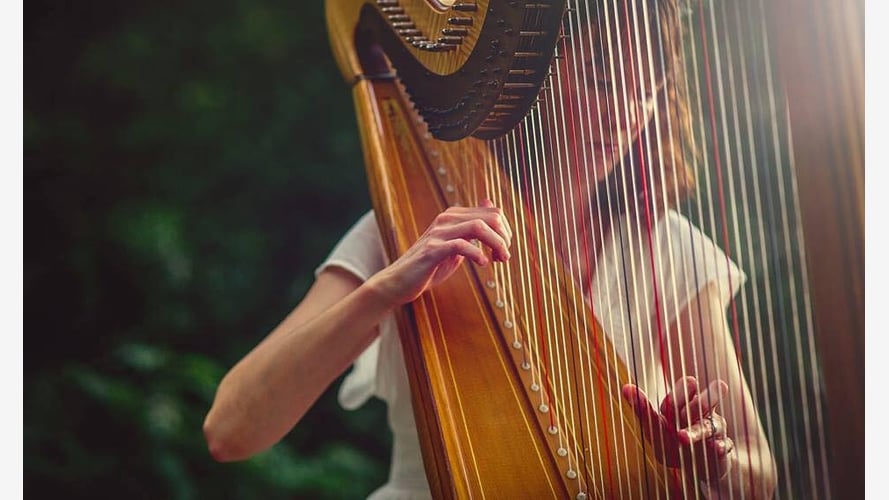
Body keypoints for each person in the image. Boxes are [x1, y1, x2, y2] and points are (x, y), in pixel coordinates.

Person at [203, 0, 778, 498]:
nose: (627, 113)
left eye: (648, 90)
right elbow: (230, 430)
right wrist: (382, 292)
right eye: (605, 80)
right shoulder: (411, 232)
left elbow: (760, 475)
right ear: (536, 76)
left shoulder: (666, 248)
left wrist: (711, 461)